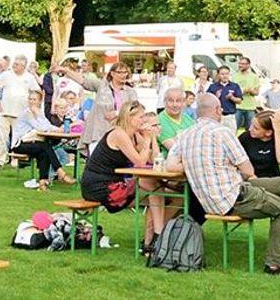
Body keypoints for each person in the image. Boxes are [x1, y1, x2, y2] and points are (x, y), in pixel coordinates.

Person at [166, 93, 280, 274]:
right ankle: (277, 262)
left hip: (217, 196)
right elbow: (247, 171)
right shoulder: (223, 132)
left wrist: (197, 161)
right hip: (233, 197)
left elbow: (170, 166)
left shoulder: (185, 135)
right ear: (216, 110)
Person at [80, 101, 166, 252]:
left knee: (156, 190)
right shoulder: (119, 134)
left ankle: (151, 242)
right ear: (129, 117)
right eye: (140, 117)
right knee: (154, 188)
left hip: (114, 183)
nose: (142, 120)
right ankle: (156, 239)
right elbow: (139, 162)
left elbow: (154, 160)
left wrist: (152, 138)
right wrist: (146, 140)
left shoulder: (134, 136)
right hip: (99, 186)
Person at [237, 110, 280, 269]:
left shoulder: (278, 139)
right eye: (251, 125)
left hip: (272, 184)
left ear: (268, 132)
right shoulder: (245, 138)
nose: (250, 129)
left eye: (256, 128)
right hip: (252, 184)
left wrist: (277, 128)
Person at [56, 61, 138, 155]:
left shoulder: (130, 92)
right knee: (97, 160)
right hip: (99, 131)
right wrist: (65, 70)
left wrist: (117, 113)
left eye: (125, 72)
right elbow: (83, 80)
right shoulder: (102, 86)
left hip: (121, 131)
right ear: (112, 73)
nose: (123, 75)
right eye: (120, 72)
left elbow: (135, 109)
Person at [12, 90, 74, 190]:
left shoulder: (39, 112)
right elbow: (40, 127)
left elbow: (47, 125)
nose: (32, 101)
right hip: (19, 144)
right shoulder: (27, 113)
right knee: (45, 146)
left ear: (40, 101)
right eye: (30, 99)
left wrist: (58, 130)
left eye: (34, 99)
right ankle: (60, 172)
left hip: (32, 142)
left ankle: (42, 183)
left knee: (44, 151)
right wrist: (58, 129)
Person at [0, 55, 35, 169]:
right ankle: (0, 160)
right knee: (2, 137)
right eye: (14, 63)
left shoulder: (29, 77)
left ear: (23, 66)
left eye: (17, 64)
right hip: (5, 111)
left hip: (21, 113)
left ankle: (16, 160)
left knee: (18, 138)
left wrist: (33, 106)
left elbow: (37, 91)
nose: (14, 66)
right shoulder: (7, 75)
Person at [157, 88, 195, 156]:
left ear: (183, 102)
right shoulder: (159, 120)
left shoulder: (188, 119)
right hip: (168, 163)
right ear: (165, 102)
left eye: (178, 101)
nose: (175, 105)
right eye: (171, 101)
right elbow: (174, 149)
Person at [207, 66, 243, 132]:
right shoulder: (213, 86)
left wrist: (232, 97)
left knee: (231, 136)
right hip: (217, 116)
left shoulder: (234, 86)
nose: (225, 76)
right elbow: (207, 102)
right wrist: (216, 97)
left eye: (227, 74)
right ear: (218, 75)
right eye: (222, 74)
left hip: (230, 116)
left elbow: (239, 100)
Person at [234, 56, 260, 130]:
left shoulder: (254, 77)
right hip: (238, 106)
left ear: (248, 65)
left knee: (250, 129)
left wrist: (251, 91)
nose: (240, 65)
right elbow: (234, 91)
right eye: (239, 63)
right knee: (235, 127)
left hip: (250, 107)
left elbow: (256, 92)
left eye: (242, 64)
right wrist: (246, 90)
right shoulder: (235, 76)